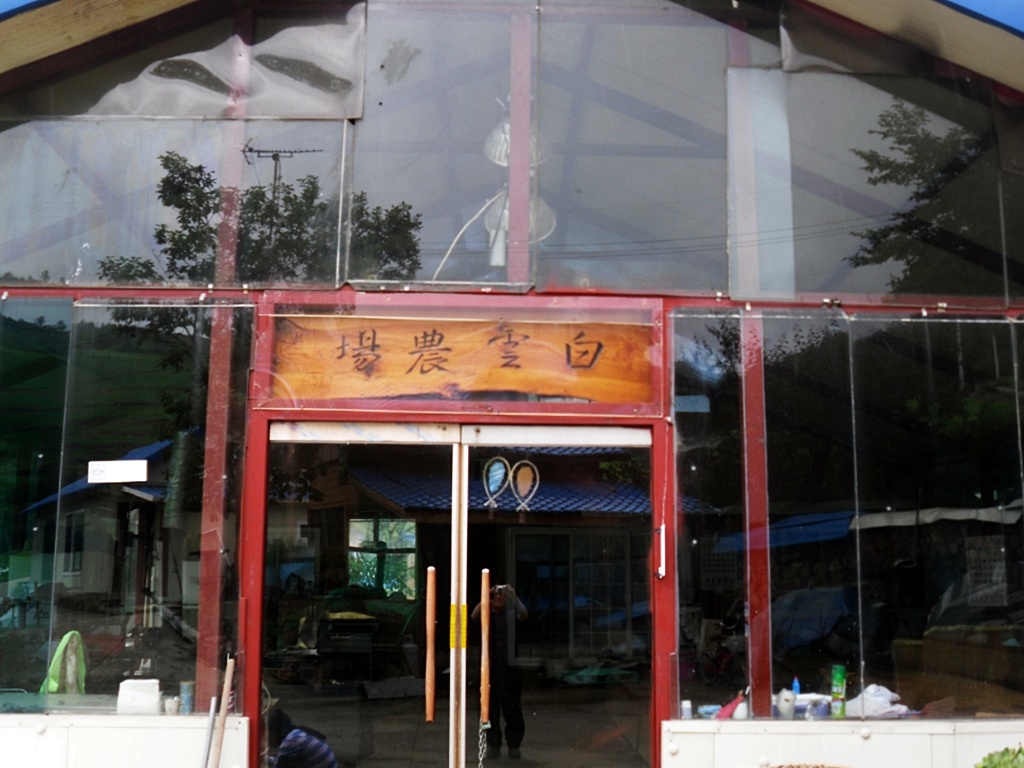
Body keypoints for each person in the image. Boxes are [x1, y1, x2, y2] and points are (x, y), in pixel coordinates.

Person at [472, 583, 528, 760]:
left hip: (510, 670)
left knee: (513, 710)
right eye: (495, 597)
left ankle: (514, 745)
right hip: (489, 671)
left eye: (501, 597)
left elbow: (523, 614)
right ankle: (493, 744)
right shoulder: (486, 616)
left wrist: (513, 596)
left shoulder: (511, 616)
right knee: (489, 711)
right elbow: (474, 616)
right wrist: (486, 595)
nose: (498, 598)